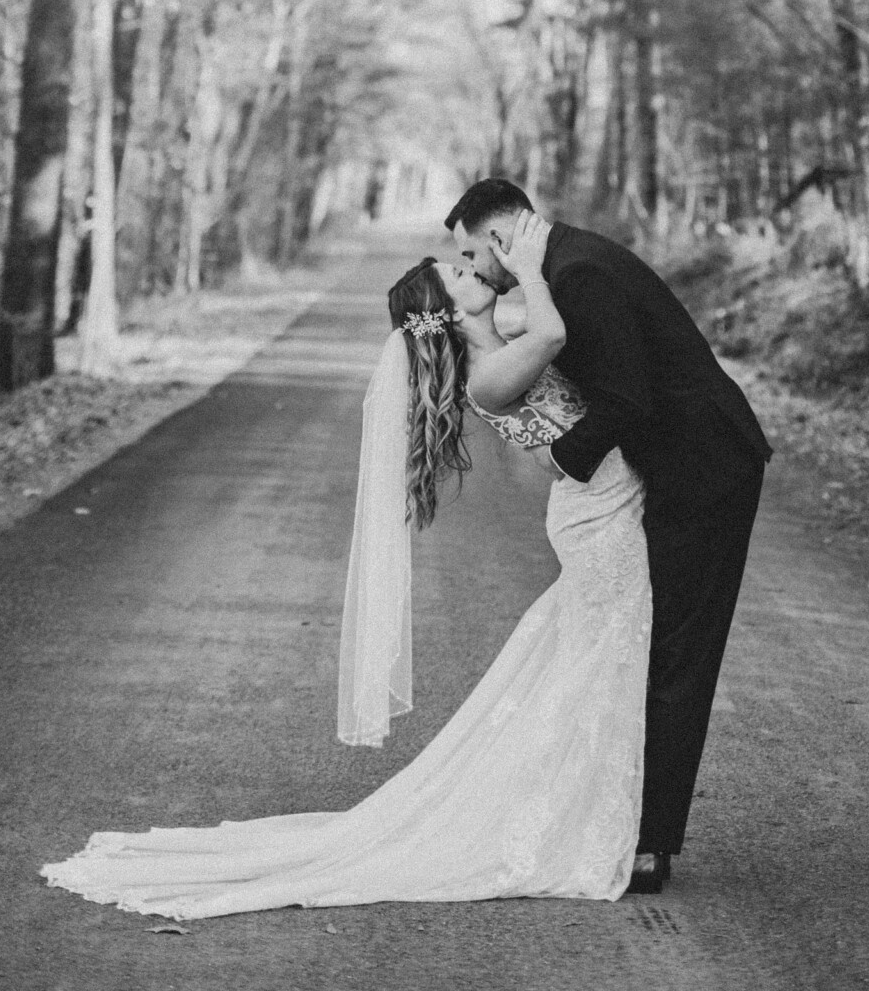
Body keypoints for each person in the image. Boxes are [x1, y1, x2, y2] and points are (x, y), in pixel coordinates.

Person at [40, 213, 654, 919]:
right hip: (596, 517)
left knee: (591, 662)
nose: (475, 268)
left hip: (602, 508)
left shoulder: (500, 346)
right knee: (602, 659)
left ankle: (590, 805)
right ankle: (589, 819)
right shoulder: (490, 376)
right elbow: (554, 354)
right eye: (460, 274)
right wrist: (537, 258)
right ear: (450, 311)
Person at [447, 179, 771, 893]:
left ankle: (649, 843)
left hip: (706, 467)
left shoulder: (580, 274)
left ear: (500, 236)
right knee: (655, 641)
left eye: (473, 252)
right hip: (674, 468)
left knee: (680, 646)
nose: (473, 269)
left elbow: (627, 399)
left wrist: (564, 462)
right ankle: (636, 827)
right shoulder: (563, 269)